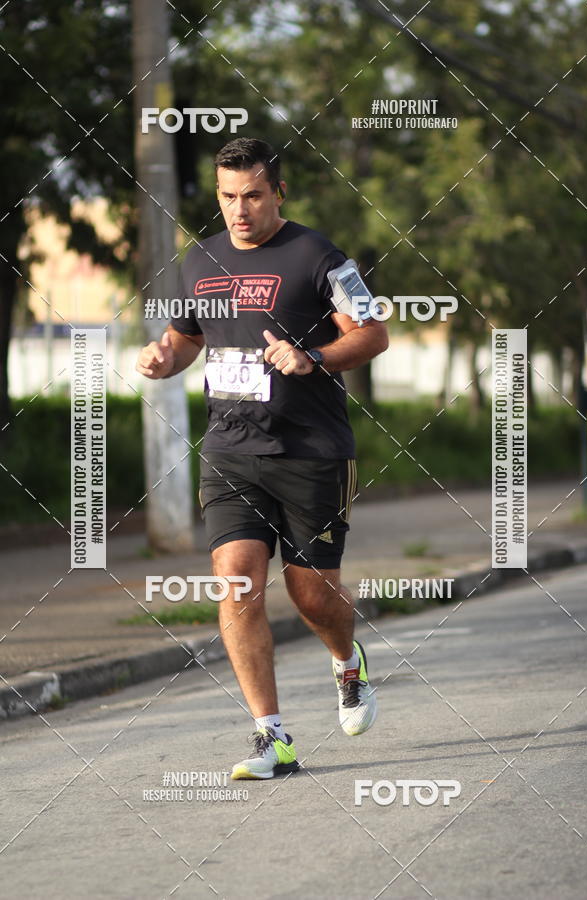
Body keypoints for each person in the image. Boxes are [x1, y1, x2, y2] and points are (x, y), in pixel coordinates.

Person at [136, 137, 388, 779]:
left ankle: (346, 661)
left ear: (279, 191)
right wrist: (165, 357)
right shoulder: (203, 260)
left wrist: (315, 358)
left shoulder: (318, 255)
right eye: (227, 197)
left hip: (313, 452)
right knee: (239, 583)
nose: (239, 210)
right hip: (230, 449)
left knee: (313, 596)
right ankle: (270, 736)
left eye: (252, 195)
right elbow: (189, 335)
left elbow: (372, 331)